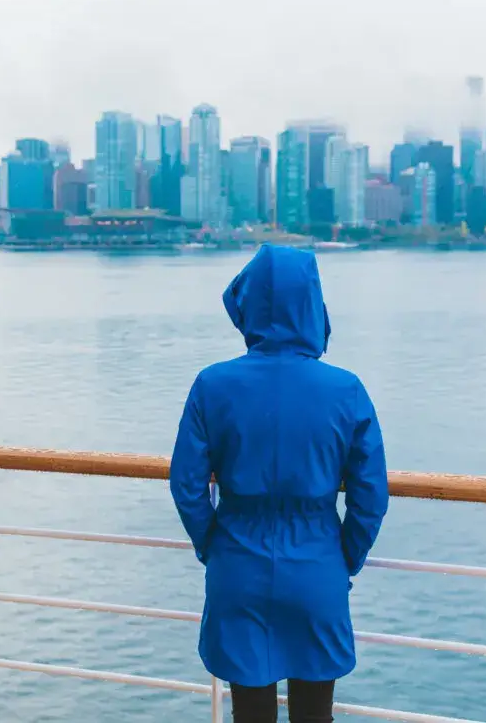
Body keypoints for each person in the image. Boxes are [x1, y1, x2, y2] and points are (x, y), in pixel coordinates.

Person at [169, 245, 389, 722]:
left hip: (238, 562)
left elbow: (186, 484)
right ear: (312, 304)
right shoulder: (345, 389)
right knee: (314, 716)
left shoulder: (212, 384)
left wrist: (215, 544)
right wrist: (344, 556)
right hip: (317, 565)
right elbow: (371, 495)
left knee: (250, 715)